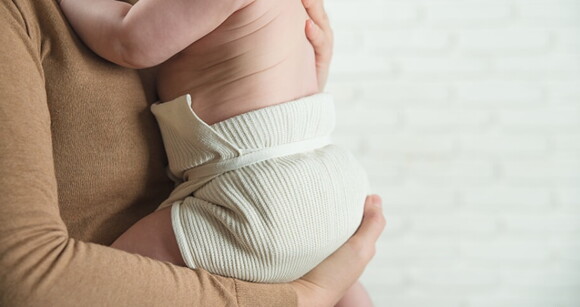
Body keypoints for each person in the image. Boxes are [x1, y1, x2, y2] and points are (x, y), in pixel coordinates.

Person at [0, 0, 385, 306]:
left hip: (256, 181)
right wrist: (306, 297)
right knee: (338, 279)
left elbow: (128, 40)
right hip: (325, 171)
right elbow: (34, 286)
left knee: (126, 273)